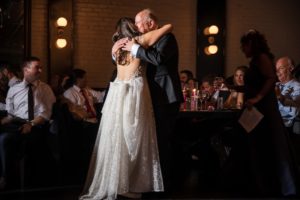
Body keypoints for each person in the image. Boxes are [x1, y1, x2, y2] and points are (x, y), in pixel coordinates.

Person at [79, 17, 173, 200]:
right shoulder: (138, 41)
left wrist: (113, 49)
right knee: (135, 137)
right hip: (133, 92)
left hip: (116, 92)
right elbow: (169, 26)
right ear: (133, 28)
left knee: (117, 137)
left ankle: (116, 181)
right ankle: (130, 182)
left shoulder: (116, 48)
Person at [121, 9, 184, 190]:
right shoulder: (151, 39)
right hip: (154, 97)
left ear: (150, 23)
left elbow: (158, 59)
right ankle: (155, 181)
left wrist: (135, 49)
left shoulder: (167, 38)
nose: (136, 26)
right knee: (155, 140)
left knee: (163, 140)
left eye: (138, 22)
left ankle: (165, 184)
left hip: (166, 96)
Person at [240, 29, 297, 197]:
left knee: (267, 145)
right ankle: (261, 184)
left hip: (264, 108)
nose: (243, 50)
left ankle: (271, 186)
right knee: (258, 146)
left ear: (251, 44)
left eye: (244, 46)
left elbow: (271, 78)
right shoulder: (256, 60)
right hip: (259, 107)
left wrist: (257, 97)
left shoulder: (262, 57)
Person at [0, 56, 56, 190]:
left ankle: (6, 179)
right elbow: (11, 115)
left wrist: (31, 124)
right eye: (37, 67)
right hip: (16, 125)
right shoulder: (13, 90)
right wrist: (2, 121)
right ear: (26, 70)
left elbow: (46, 114)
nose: (40, 70)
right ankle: (7, 176)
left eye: (41, 67)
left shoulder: (45, 89)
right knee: (3, 136)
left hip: (37, 126)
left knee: (5, 139)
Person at [275, 56, 300, 131]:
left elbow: (295, 111)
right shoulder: (276, 85)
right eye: (276, 70)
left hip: (284, 126)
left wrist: (281, 98)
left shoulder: (297, 87)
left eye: (281, 68)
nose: (278, 72)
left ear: (291, 69)